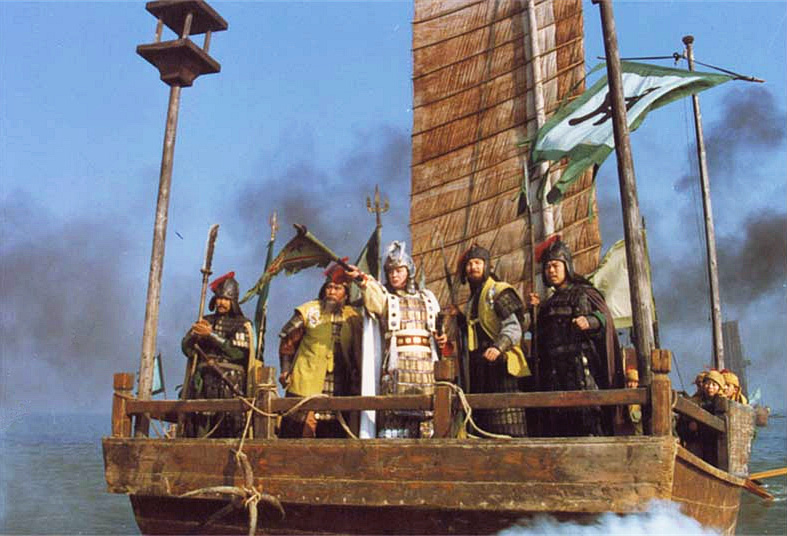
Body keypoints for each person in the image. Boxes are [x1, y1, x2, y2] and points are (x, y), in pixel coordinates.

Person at [347, 241, 446, 438]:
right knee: (394, 421)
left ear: (409, 271)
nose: (394, 275)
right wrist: (360, 278)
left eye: (399, 270)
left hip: (426, 368)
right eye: (390, 271)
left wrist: (442, 338)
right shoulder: (387, 299)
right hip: (396, 366)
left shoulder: (427, 298)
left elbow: (437, 332)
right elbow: (372, 293)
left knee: (427, 419)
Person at [529, 239, 623, 437]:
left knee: (589, 418)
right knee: (561, 422)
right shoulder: (548, 304)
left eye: (555, 265)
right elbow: (541, 338)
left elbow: (604, 319)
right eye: (547, 267)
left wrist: (590, 321)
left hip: (582, 368)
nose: (551, 271)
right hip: (556, 372)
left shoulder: (583, 293)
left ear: (567, 266)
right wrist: (535, 312)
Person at [277, 264, 362, 438]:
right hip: (305, 379)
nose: (331, 292)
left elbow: (359, 350)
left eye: (337, 288)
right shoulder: (309, 310)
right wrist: (285, 369)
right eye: (329, 287)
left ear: (346, 294)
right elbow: (288, 340)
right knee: (295, 430)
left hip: (340, 383)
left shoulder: (353, 317)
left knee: (334, 434)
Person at [457, 244, 530, 437]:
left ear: (487, 265)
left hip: (502, 366)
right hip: (481, 370)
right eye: (469, 264)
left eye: (477, 263)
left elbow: (514, 327)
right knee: (483, 425)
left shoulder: (498, 291)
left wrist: (499, 347)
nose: (473, 267)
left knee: (508, 422)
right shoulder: (472, 301)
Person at [181, 272, 255, 438]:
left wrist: (211, 335)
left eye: (226, 299)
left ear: (233, 301)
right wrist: (194, 336)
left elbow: (238, 354)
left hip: (229, 382)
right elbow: (187, 349)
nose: (222, 302)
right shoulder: (205, 320)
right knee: (199, 427)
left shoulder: (242, 324)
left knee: (229, 427)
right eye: (219, 298)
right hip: (204, 381)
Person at [623, 366, 643, 435]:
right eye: (630, 382)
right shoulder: (624, 398)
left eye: (634, 382)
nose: (631, 385)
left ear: (637, 384)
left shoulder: (640, 398)